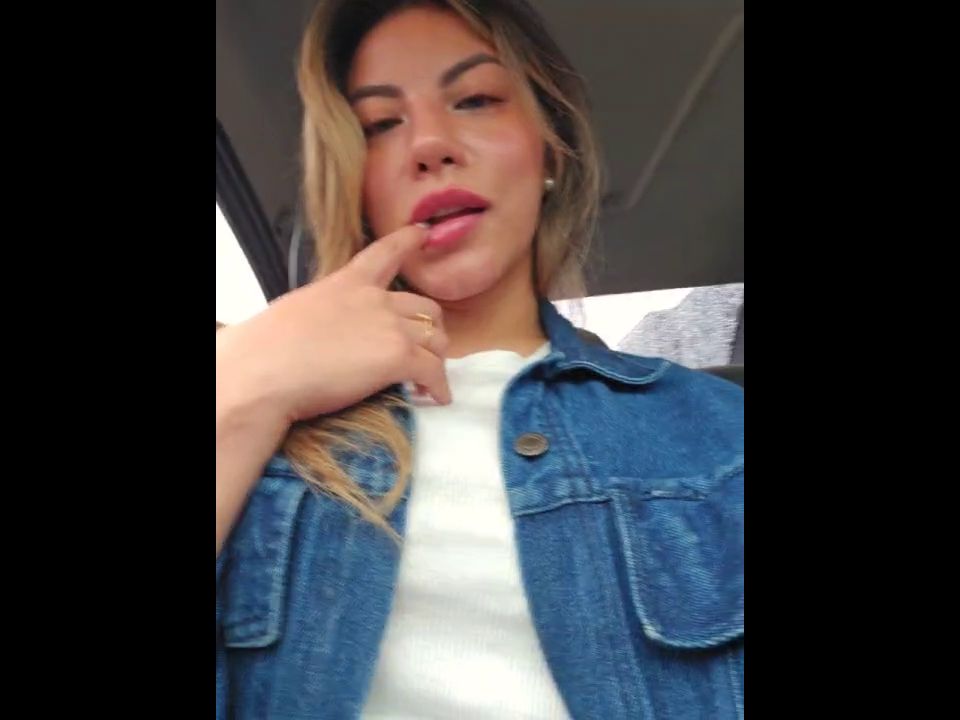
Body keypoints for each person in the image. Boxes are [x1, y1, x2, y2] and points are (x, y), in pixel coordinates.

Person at [215, 1, 743, 718]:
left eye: (476, 99)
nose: (429, 144)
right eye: (380, 124)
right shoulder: (266, 427)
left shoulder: (722, 435)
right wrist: (242, 385)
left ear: (549, 148)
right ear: (357, 186)